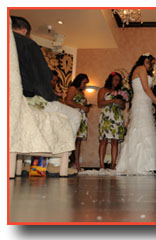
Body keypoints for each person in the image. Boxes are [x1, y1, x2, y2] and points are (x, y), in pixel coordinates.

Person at [12, 16, 81, 177]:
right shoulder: (27, 44)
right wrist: (50, 96)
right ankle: (54, 163)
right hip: (28, 99)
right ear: (25, 31)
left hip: (11, 102)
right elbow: (43, 76)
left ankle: (26, 163)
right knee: (73, 115)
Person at [115, 54, 156, 175]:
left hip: (144, 102)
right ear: (144, 60)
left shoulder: (141, 70)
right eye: (150, 62)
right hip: (141, 102)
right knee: (142, 131)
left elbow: (147, 91)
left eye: (152, 63)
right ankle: (141, 164)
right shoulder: (141, 68)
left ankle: (146, 164)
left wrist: (151, 103)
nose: (150, 65)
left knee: (145, 131)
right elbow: (146, 89)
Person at [97, 72, 127, 170]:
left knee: (115, 141)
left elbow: (123, 107)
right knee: (103, 141)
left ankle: (113, 164)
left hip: (117, 117)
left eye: (119, 80)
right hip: (106, 117)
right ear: (111, 79)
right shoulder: (103, 90)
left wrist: (121, 103)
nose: (117, 82)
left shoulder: (120, 92)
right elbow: (100, 103)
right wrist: (113, 101)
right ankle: (102, 165)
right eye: (115, 80)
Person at [66, 74, 91, 172]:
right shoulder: (72, 88)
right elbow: (68, 101)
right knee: (72, 140)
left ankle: (76, 163)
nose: (85, 85)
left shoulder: (82, 92)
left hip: (82, 117)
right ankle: (69, 162)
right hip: (74, 115)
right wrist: (81, 107)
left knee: (78, 141)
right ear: (79, 81)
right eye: (84, 83)